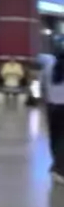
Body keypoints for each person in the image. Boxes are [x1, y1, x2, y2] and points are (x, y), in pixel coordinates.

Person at [41, 45, 64, 184]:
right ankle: (59, 169)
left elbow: (42, 87)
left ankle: (55, 163)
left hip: (51, 107)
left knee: (54, 137)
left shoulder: (48, 68)